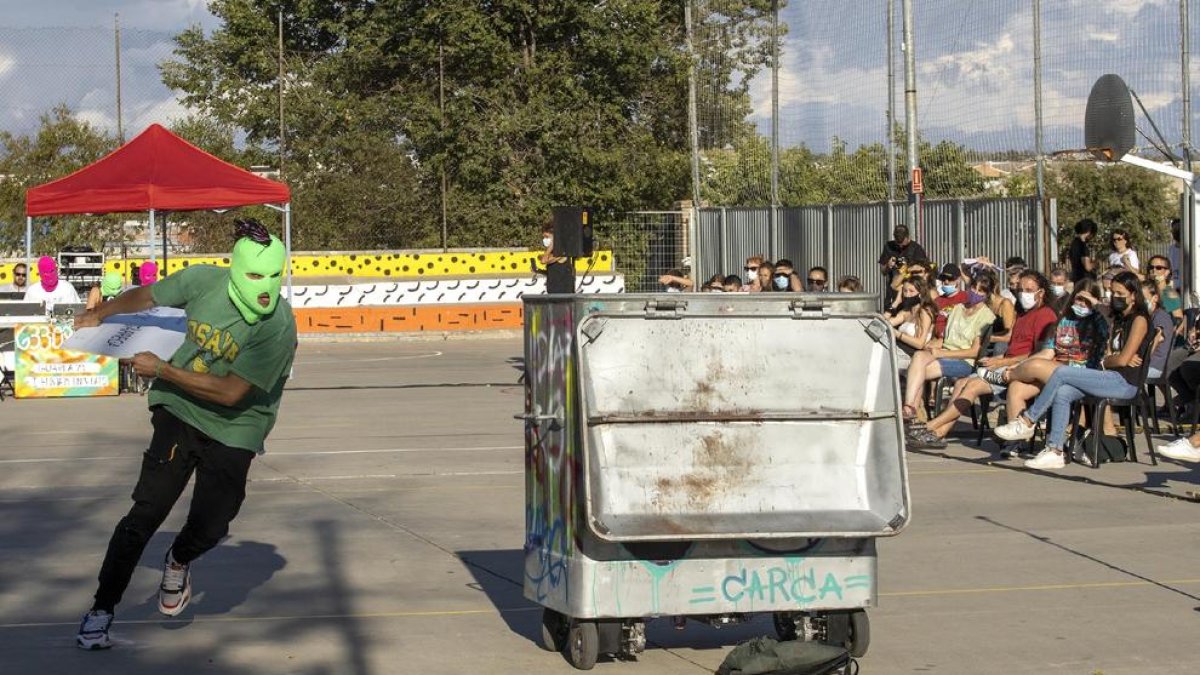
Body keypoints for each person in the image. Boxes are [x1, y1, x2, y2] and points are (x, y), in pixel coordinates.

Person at [74, 219, 298, 650]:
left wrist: (160, 369)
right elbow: (147, 294)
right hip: (179, 409)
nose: (265, 287)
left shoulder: (277, 326)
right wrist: (98, 314)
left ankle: (179, 559)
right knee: (145, 514)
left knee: (215, 522)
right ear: (235, 269)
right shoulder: (202, 282)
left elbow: (232, 392)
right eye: (254, 275)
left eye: (274, 276)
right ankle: (101, 608)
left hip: (238, 424)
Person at [995, 271, 1153, 470]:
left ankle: (1027, 421)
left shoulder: (1139, 320)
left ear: (1133, 294)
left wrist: (1110, 359)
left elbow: (1122, 358)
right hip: (1108, 376)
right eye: (1112, 292)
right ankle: (1055, 451)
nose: (1115, 297)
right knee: (1062, 392)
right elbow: (1116, 352)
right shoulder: (1119, 318)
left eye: (1120, 293)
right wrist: (1113, 358)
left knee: (1060, 373)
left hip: (1125, 382)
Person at [907, 271, 1058, 449]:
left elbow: (1035, 355)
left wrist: (1001, 362)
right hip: (1004, 365)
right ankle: (939, 434)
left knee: (971, 386)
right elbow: (1013, 347)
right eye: (1020, 289)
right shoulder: (1023, 314)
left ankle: (929, 427)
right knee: (961, 383)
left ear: (1041, 292)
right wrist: (996, 359)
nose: (1023, 293)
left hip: (1020, 369)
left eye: (1028, 290)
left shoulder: (1045, 315)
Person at [998, 281, 1108, 457]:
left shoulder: (1100, 320)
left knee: (1032, 368)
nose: (1082, 304)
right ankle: (1017, 440)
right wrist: (1019, 365)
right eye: (1079, 299)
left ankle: (1008, 377)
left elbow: (1108, 321)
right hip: (1056, 368)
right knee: (1017, 387)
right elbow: (1047, 352)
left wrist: (1095, 305)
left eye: (1086, 301)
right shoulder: (1064, 320)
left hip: (1085, 371)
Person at [900, 273, 996, 424]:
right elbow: (946, 338)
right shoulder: (957, 308)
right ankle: (910, 409)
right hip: (943, 352)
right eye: (973, 288)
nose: (975, 292)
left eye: (981, 290)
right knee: (918, 356)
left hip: (964, 361)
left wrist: (943, 352)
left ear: (987, 294)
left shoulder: (987, 316)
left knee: (918, 371)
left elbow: (974, 352)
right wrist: (933, 343)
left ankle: (914, 418)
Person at [887, 276, 936, 371]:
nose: (907, 295)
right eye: (905, 291)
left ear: (920, 293)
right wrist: (896, 303)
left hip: (910, 355)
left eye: (911, 291)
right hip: (898, 349)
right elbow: (883, 324)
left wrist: (897, 334)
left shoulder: (925, 312)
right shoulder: (906, 311)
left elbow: (920, 344)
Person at [878, 225, 928, 307]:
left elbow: (924, 271)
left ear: (908, 237)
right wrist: (888, 265)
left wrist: (909, 269)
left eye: (903, 244)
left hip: (910, 291)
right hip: (893, 290)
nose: (900, 246)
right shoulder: (888, 247)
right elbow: (883, 271)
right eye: (898, 244)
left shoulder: (916, 249)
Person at [932, 264, 968, 339]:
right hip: (937, 340)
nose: (946, 281)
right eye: (943, 278)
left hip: (956, 341)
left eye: (950, 278)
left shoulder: (966, 298)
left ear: (958, 279)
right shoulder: (937, 301)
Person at [538, 223, 574, 293]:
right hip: (553, 290)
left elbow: (543, 260)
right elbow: (555, 271)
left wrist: (551, 246)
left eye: (547, 237)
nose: (545, 239)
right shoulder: (553, 252)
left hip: (562, 291)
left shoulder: (561, 251)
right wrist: (539, 271)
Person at [1068, 218, 1098, 283]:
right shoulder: (1083, 246)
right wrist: (1095, 264)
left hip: (1077, 278)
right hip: (1085, 280)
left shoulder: (1074, 243)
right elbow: (1088, 267)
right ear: (1089, 232)